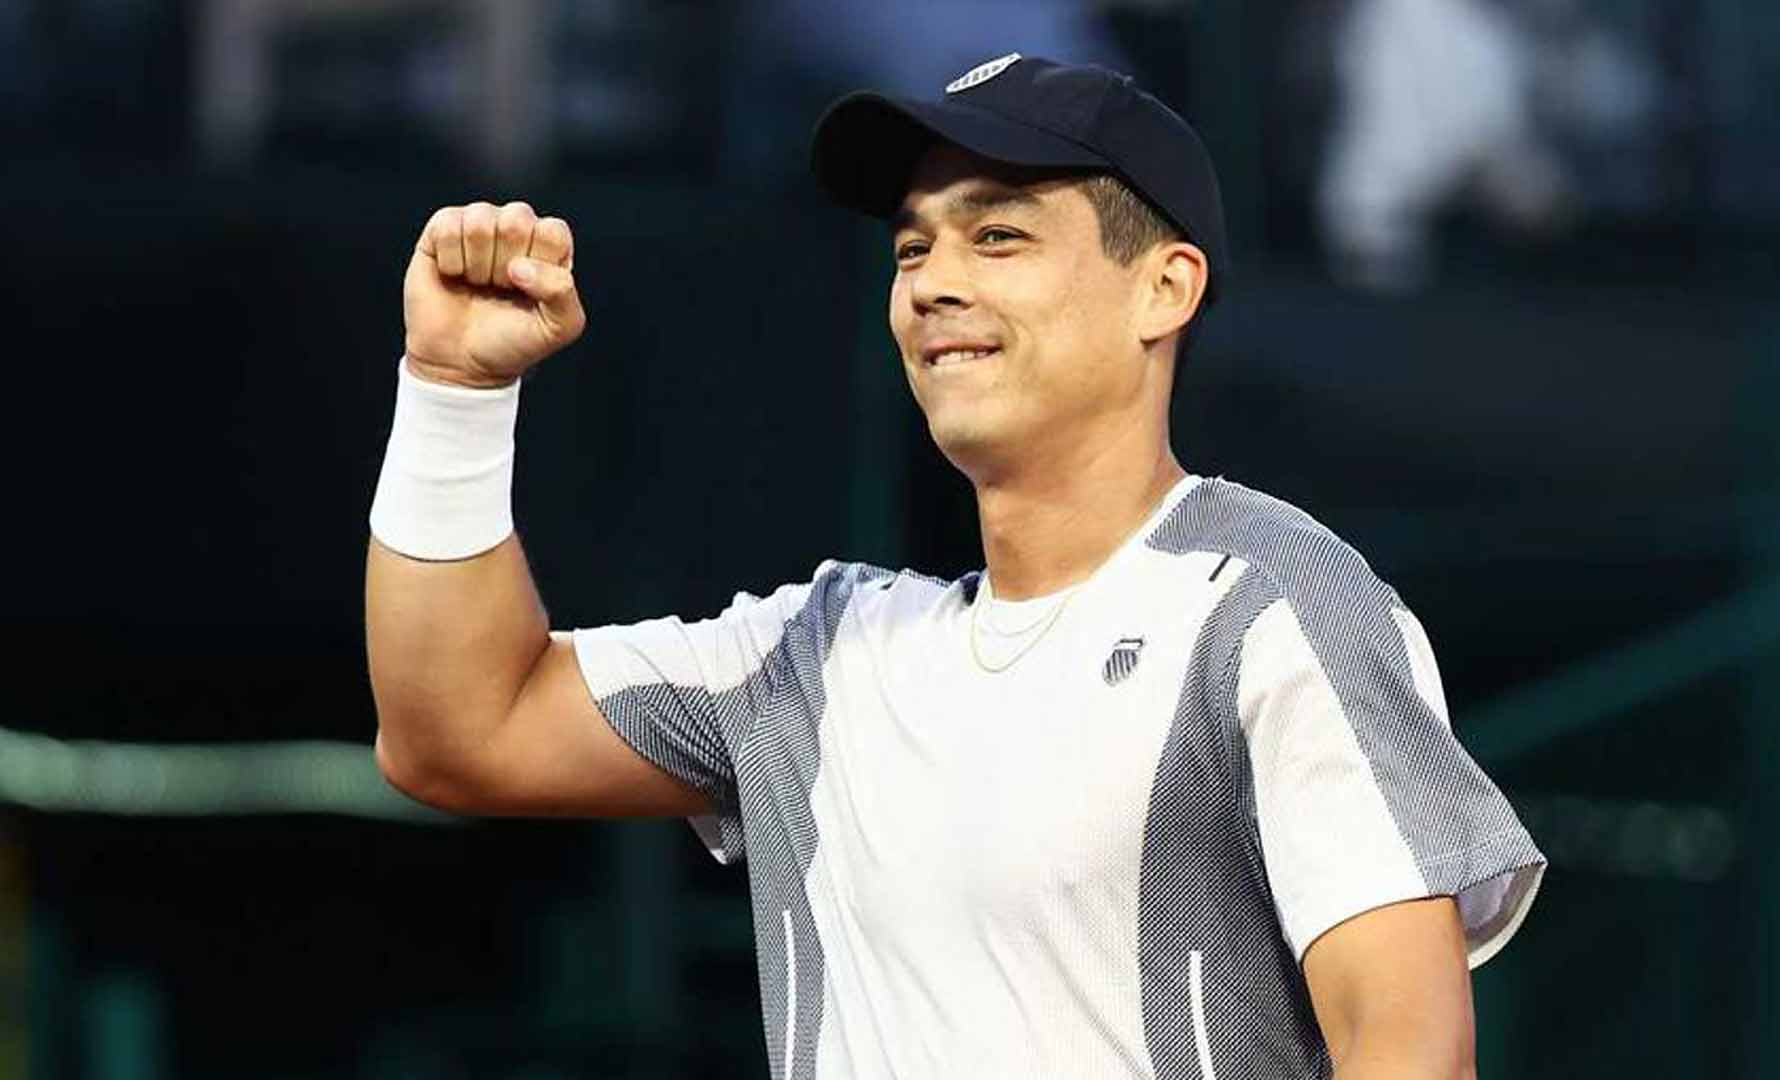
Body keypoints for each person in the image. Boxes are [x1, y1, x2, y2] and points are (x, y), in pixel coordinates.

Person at [366, 53, 1545, 1079]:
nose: (933, 281)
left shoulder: (1272, 601)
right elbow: (457, 729)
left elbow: (1412, 1051)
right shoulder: (817, 654)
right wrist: (456, 396)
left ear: (1164, 287)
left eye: (999, 235)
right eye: (912, 247)